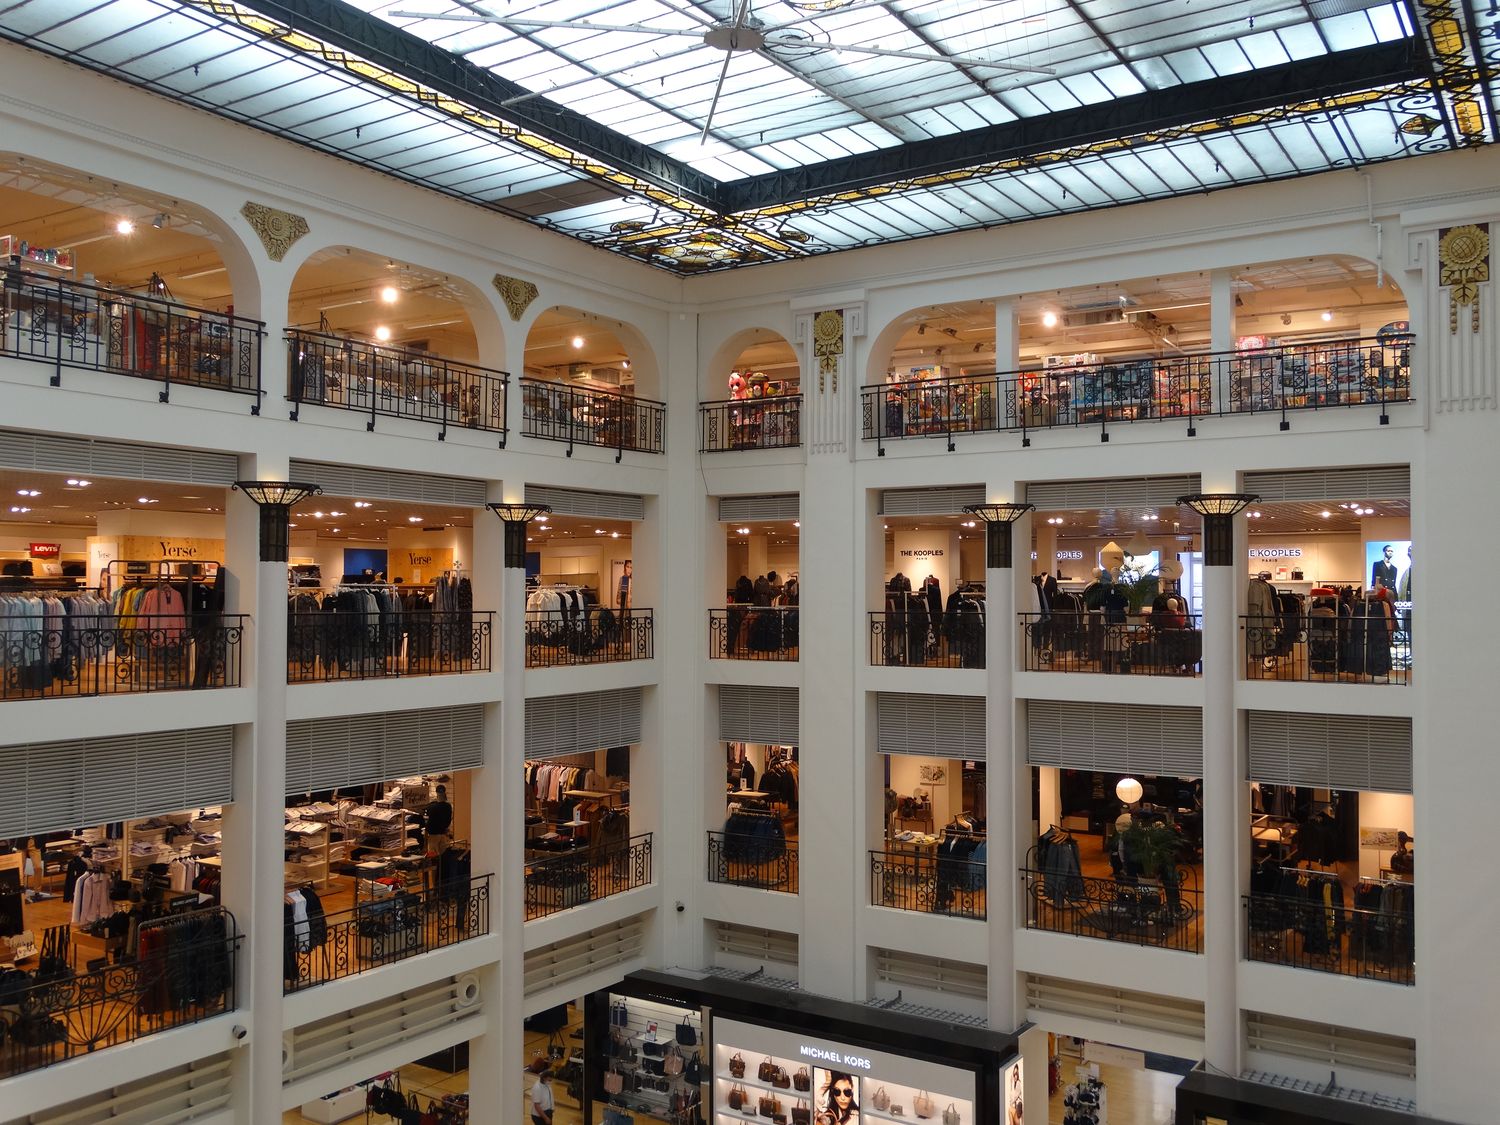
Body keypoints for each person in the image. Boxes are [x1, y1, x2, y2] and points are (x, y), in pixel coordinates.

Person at [424, 784, 453, 857]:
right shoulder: (448, 806)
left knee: (432, 854)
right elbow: (448, 820)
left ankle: (435, 867)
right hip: (443, 833)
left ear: (436, 793)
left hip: (434, 834)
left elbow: (431, 821)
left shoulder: (433, 807)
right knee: (442, 854)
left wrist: (427, 830)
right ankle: (441, 868)